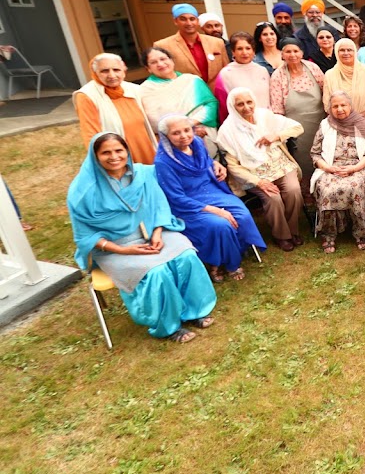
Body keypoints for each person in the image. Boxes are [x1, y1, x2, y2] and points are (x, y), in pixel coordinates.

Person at [69, 133, 216, 343]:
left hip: (151, 232)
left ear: (126, 151)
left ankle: (195, 311)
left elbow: (159, 205)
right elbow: (85, 236)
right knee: (156, 271)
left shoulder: (144, 174)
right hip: (113, 247)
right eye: (106, 152)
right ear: (95, 156)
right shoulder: (82, 191)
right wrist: (124, 250)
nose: (114, 157)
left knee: (186, 255)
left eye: (119, 150)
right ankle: (168, 326)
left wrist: (157, 232)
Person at [154, 115, 265, 283]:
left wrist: (215, 165)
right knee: (220, 224)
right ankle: (223, 262)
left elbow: (205, 162)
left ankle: (232, 251)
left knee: (241, 215)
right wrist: (215, 210)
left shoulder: (197, 143)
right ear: (165, 136)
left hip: (212, 190)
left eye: (186, 130)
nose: (184, 135)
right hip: (188, 203)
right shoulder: (163, 162)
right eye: (176, 133)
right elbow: (175, 197)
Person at [217, 87, 304, 251]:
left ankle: (293, 230)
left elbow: (298, 127)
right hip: (253, 174)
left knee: (293, 190)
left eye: (249, 102)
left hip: (281, 165)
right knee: (273, 197)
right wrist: (258, 182)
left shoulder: (264, 116)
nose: (247, 107)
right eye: (240, 104)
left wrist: (277, 136)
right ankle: (282, 235)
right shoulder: (227, 131)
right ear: (232, 107)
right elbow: (233, 167)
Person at [310, 91, 365, 252]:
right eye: (335, 106)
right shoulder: (325, 125)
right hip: (331, 168)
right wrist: (328, 168)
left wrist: (354, 168)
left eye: (343, 105)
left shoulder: (362, 124)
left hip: (357, 167)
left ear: (350, 106)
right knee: (326, 189)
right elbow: (315, 153)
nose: (339, 109)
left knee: (355, 187)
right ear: (330, 108)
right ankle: (329, 234)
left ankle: (361, 233)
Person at [269, 37, 325, 198]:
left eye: (296, 50)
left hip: (319, 125)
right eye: (288, 51)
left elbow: (325, 93)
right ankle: (307, 197)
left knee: (322, 156)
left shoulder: (313, 68)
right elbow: (277, 109)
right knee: (302, 162)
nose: (292, 54)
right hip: (295, 130)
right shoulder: (278, 76)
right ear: (282, 54)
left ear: (302, 52)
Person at [74, 53, 156, 164]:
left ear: (124, 70)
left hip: (145, 148)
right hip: (115, 156)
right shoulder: (86, 96)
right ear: (95, 73)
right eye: (104, 71)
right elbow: (90, 133)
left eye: (116, 70)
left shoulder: (135, 89)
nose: (111, 75)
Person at [138, 47, 218, 145]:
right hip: (172, 140)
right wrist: (184, 130)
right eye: (153, 62)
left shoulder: (192, 80)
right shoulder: (144, 90)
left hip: (202, 133)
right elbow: (153, 121)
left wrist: (191, 123)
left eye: (163, 59)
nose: (160, 64)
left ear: (171, 60)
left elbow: (211, 105)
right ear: (148, 68)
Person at [154, 3, 228, 85]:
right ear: (175, 21)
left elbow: (227, 71)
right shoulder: (163, 46)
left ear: (197, 21)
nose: (189, 23)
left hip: (216, 93)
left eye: (192, 19)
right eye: (183, 19)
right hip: (186, 94)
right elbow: (162, 77)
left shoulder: (216, 42)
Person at [212, 33, 271, 124]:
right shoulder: (225, 74)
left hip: (266, 122)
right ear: (233, 51)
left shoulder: (262, 70)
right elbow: (223, 106)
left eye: (248, 48)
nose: (244, 52)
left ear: (253, 50)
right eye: (239, 49)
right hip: (241, 125)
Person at [323, 38, 365, 125]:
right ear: (336, 52)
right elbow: (327, 103)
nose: (346, 53)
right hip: (340, 124)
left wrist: (357, 118)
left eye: (349, 50)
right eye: (342, 50)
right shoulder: (330, 75)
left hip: (364, 122)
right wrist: (344, 120)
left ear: (355, 52)